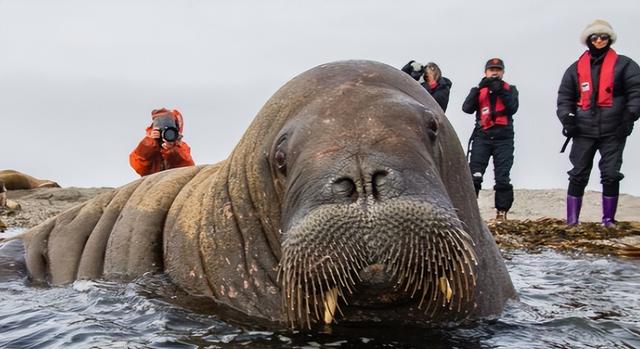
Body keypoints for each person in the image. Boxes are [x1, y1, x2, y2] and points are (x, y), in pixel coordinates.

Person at [557, 19, 640, 227]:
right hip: (583, 130)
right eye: (595, 37)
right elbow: (564, 98)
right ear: (588, 40)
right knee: (577, 174)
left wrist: (629, 117)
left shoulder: (626, 65)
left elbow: (636, 92)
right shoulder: (575, 69)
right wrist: (568, 120)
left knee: (611, 174)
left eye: (604, 37)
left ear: (609, 39)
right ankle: (572, 221)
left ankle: (608, 221)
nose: (600, 40)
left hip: (614, 130)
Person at [462, 58, 520, 221]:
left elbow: (512, 108)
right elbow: (467, 108)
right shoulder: (479, 90)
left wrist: (500, 90)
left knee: (502, 176)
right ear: (486, 72)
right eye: (491, 70)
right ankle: (470, 211)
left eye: (498, 70)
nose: (494, 73)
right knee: (475, 175)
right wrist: (478, 89)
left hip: (504, 138)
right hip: (483, 137)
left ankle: (502, 212)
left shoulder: (510, 90)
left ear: (503, 72)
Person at [129, 108, 195, 176]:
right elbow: (138, 165)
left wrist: (172, 150)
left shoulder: (181, 146)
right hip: (153, 182)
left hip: (176, 179)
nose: (165, 131)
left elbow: (189, 167)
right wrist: (150, 142)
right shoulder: (149, 144)